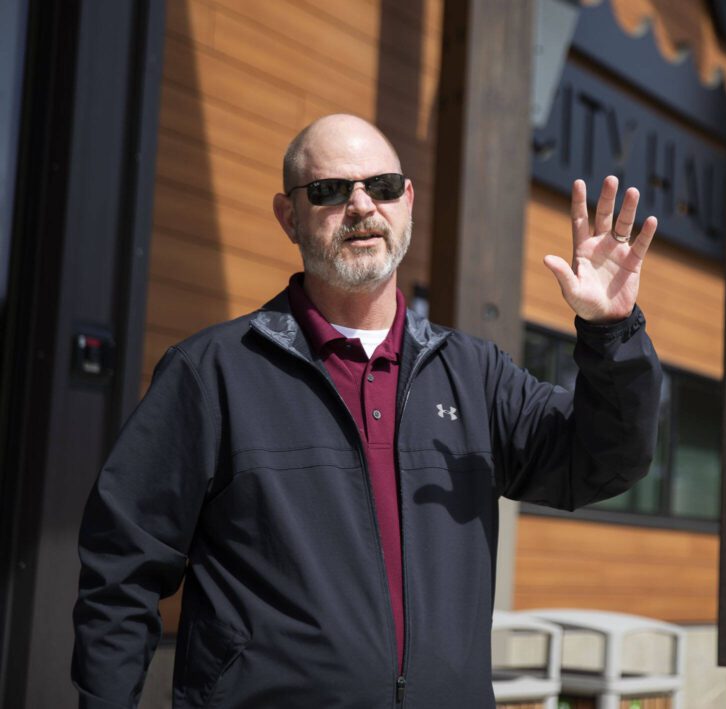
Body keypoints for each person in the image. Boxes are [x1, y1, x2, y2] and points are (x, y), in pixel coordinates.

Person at [72, 115, 662, 708]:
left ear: (406, 200)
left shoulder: (475, 375)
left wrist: (612, 333)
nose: (361, 206)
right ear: (288, 216)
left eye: (380, 186)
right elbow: (120, 575)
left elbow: (604, 461)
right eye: (329, 190)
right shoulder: (214, 373)